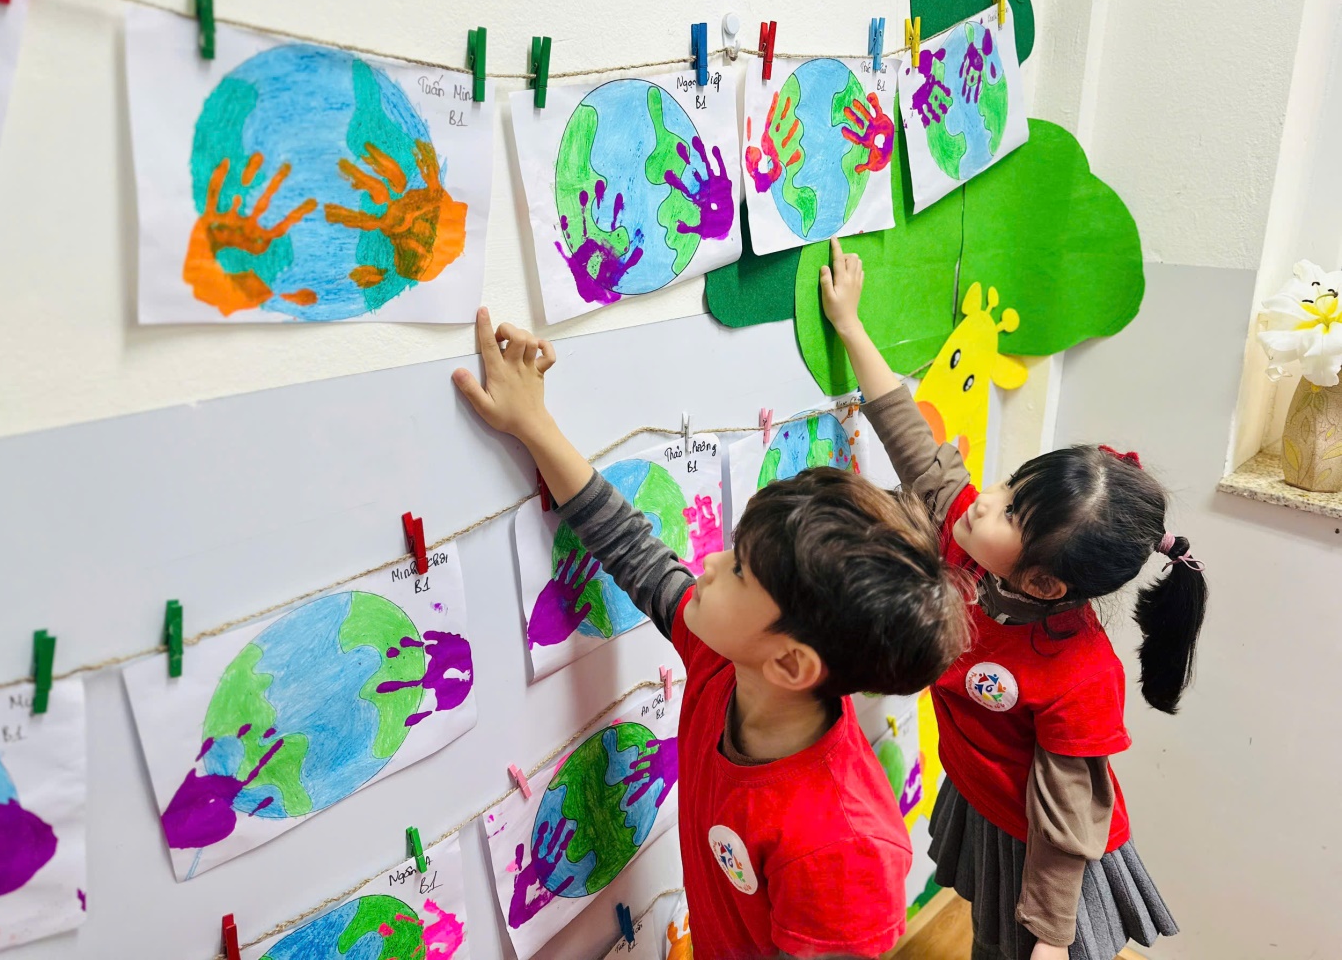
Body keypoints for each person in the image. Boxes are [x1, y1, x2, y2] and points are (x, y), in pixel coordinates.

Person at [453, 308, 970, 959]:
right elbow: (635, 552)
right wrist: (533, 424)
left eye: (741, 569)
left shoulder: (844, 846)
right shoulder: (727, 663)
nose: (711, 562)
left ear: (791, 663)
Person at [819, 240, 1206, 960]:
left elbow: (1066, 818)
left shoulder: (1079, 673)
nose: (984, 497)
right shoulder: (971, 539)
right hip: (984, 797)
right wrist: (850, 325)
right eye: (1010, 485)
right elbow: (912, 442)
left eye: (1010, 512)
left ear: (1043, 585)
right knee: (986, 934)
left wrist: (1053, 939)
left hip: (1046, 851)